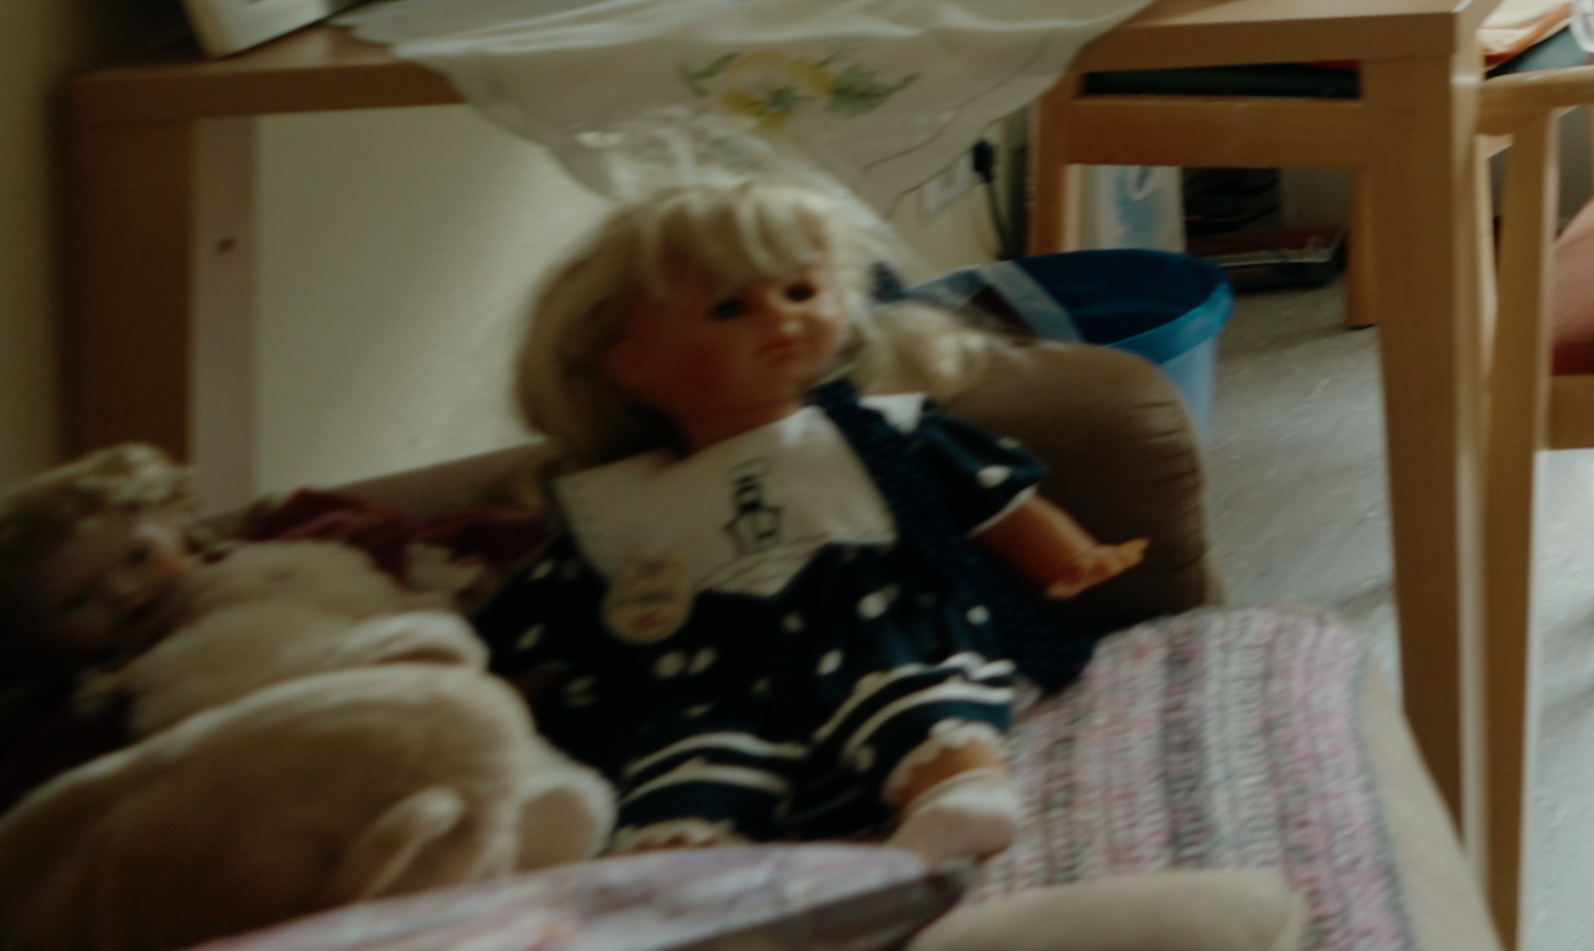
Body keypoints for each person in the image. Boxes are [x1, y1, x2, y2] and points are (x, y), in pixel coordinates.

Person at [479, 178, 1141, 858]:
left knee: (920, 699)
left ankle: (960, 796)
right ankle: (682, 869)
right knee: (680, 764)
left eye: (799, 291)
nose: (780, 318)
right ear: (632, 365)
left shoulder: (879, 433)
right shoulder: (620, 503)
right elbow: (551, 621)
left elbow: (988, 503)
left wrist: (1069, 556)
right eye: (730, 307)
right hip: (713, 692)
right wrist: (490, 709)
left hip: (880, 641)